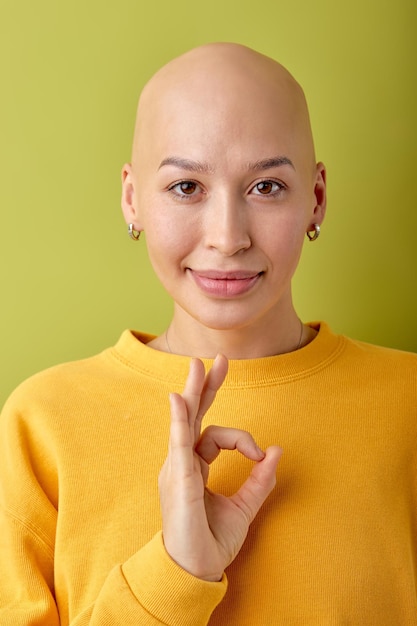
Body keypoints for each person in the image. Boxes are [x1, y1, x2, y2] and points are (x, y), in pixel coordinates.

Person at [0, 42, 416, 626]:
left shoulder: (409, 405)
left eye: (266, 186)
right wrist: (176, 571)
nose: (227, 237)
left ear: (316, 199)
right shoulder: (40, 425)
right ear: (132, 198)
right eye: (186, 188)